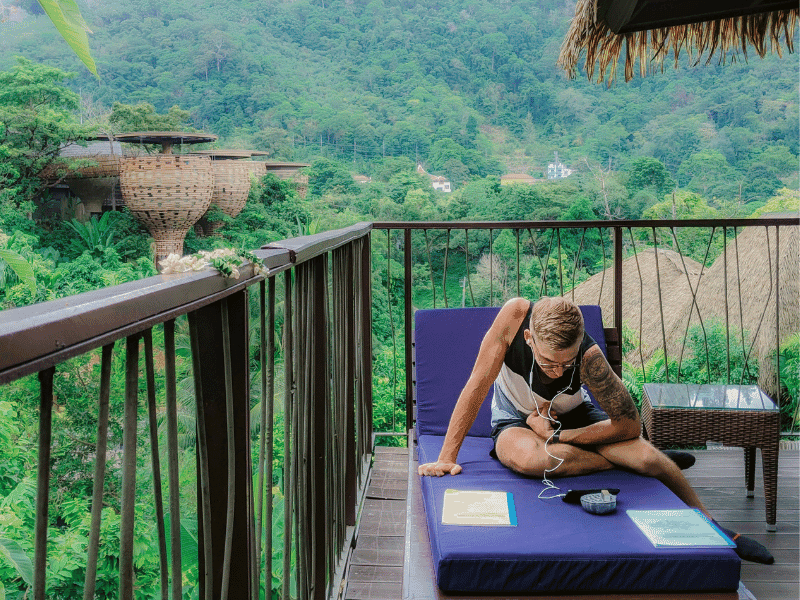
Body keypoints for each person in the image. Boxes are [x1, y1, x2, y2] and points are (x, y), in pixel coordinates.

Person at [418, 296, 773, 564]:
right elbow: (477, 384)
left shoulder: (589, 357)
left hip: (571, 418)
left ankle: (714, 526)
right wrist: (447, 458)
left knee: (647, 456)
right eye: (548, 362)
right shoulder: (513, 318)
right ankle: (621, 462)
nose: (557, 371)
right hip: (516, 417)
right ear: (528, 338)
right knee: (531, 461)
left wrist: (559, 435)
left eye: (565, 363)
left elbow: (629, 423)